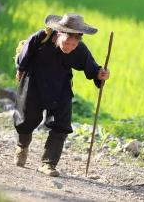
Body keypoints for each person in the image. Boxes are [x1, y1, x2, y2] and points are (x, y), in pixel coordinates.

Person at [13, 13, 110, 177]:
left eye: (74, 44)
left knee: (61, 124)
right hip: (34, 84)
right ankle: (22, 146)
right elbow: (24, 56)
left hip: (60, 88)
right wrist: (20, 69)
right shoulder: (40, 39)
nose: (70, 47)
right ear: (59, 34)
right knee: (26, 120)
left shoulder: (79, 49)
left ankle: (48, 163)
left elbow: (92, 68)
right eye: (67, 42)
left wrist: (100, 74)